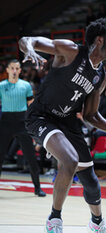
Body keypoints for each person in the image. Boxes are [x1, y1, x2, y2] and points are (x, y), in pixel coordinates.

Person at [19, 18, 106, 233]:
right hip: (41, 116)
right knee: (70, 159)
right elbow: (27, 40)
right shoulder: (71, 51)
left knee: (92, 183)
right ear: (100, 40)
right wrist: (29, 49)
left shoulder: (100, 76)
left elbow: (91, 115)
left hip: (67, 122)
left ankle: (97, 223)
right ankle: (54, 218)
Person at [0, 59, 46, 197]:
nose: (14, 71)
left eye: (17, 68)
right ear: (7, 70)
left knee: (31, 156)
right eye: (12, 68)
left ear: (20, 71)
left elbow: (31, 105)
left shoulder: (25, 85)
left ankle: (38, 188)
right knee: (0, 156)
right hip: (6, 122)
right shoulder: (1, 86)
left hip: (22, 122)